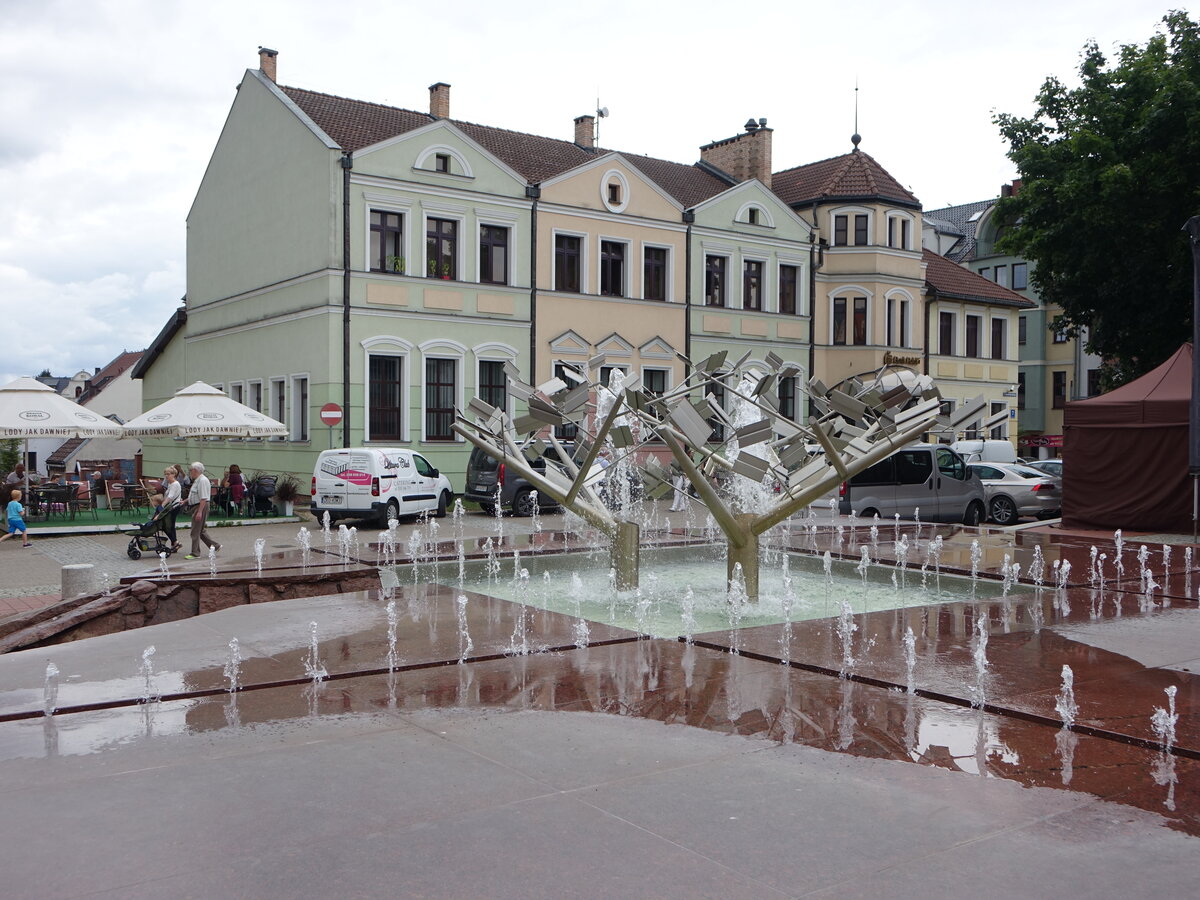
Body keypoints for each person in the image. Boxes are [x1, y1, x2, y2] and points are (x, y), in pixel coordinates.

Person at [184, 462, 221, 560]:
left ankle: (195, 553)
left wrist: (200, 511)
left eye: (191, 470)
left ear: (195, 470)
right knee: (200, 530)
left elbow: (203, 498)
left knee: (195, 531)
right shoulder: (198, 480)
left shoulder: (203, 480)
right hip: (198, 506)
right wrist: (185, 501)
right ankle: (215, 546)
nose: (190, 472)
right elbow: (195, 495)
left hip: (200, 506)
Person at [161, 467, 182, 551]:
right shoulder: (170, 484)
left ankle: (175, 542)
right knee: (171, 525)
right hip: (171, 506)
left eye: (168, 474)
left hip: (174, 507)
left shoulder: (175, 484)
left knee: (167, 525)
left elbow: (170, 496)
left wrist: (162, 504)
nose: (167, 476)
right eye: (165, 474)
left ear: (174, 474)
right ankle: (174, 544)